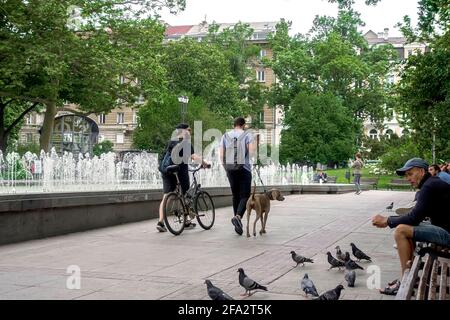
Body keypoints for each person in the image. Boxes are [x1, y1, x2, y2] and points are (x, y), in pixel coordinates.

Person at [372, 158, 450, 295]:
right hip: (443, 228)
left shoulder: (429, 186)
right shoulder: (431, 184)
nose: (408, 178)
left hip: (447, 234)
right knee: (404, 227)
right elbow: (416, 215)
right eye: (406, 175)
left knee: (400, 231)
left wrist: (387, 220)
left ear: (421, 171)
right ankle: (408, 277)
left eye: (410, 174)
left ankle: (405, 282)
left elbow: (414, 218)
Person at [156, 123, 204, 232]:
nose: (190, 132)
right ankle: (186, 221)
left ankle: (160, 222)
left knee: (166, 196)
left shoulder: (171, 142)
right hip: (180, 171)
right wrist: (205, 163)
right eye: (189, 130)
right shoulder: (186, 143)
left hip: (167, 171)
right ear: (183, 131)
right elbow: (194, 157)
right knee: (185, 195)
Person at [219, 117, 256, 236]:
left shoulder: (225, 136)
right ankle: (238, 217)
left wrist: (226, 168)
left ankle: (237, 220)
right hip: (244, 169)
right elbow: (251, 153)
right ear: (243, 125)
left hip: (230, 170)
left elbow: (221, 155)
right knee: (245, 195)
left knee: (235, 195)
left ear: (234, 125)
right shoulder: (247, 135)